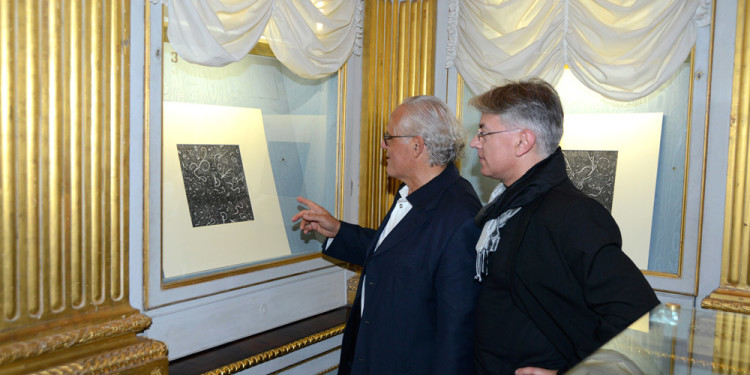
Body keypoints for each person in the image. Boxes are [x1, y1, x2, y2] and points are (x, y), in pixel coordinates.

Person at [468, 79, 660, 375]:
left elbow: (636, 312)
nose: (475, 142)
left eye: (484, 132)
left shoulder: (573, 214)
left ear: (523, 141)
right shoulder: (507, 206)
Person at [293, 95, 482, 374]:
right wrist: (338, 230)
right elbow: (398, 255)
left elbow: (457, 332)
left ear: (417, 146)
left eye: (389, 137)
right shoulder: (412, 193)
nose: (383, 145)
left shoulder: (460, 215)